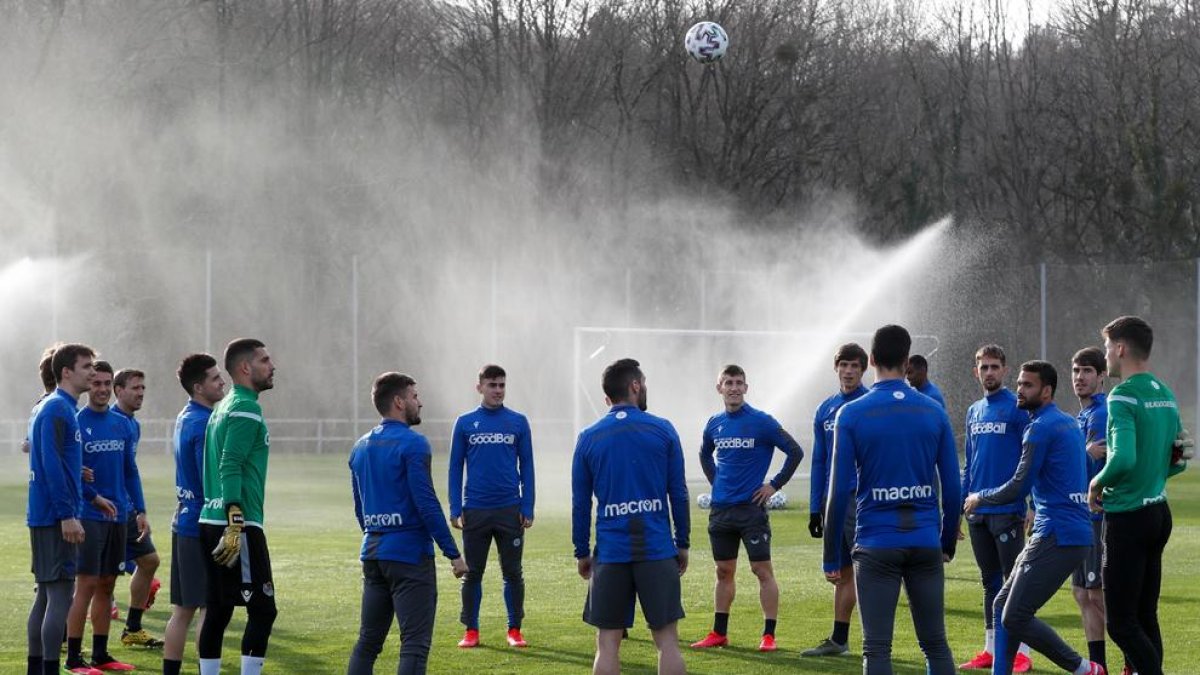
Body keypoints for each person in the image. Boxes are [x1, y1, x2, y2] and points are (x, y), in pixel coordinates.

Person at [822, 324, 960, 675]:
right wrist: (946, 542)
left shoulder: (850, 414)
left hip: (875, 542)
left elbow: (838, 491)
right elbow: (953, 486)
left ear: (870, 361)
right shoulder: (933, 410)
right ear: (906, 359)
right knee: (936, 644)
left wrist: (831, 557)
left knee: (877, 648)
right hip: (925, 538)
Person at [964, 361, 1105, 675]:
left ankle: (1086, 669)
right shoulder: (1067, 422)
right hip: (1067, 532)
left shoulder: (1039, 428)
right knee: (1002, 605)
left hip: (1057, 534)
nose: (1019, 389)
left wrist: (979, 497)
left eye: (1028, 385)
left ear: (1046, 391)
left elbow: (1018, 486)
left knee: (1015, 615)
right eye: (1019, 383)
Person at [572, 358, 689, 675]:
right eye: (644, 382)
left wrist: (581, 552)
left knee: (607, 644)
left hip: (611, 554)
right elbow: (678, 492)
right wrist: (683, 543)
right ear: (635, 385)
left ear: (607, 397)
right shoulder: (663, 429)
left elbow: (581, 503)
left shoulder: (588, 437)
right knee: (667, 642)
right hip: (656, 550)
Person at [347, 372, 468, 675]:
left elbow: (360, 508)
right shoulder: (414, 444)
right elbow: (426, 503)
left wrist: (376, 532)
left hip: (373, 554)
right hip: (409, 557)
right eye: (415, 396)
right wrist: (453, 554)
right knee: (414, 644)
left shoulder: (359, 447)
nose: (420, 402)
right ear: (399, 402)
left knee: (368, 642)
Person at [1088, 316, 1189, 675]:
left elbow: (1124, 458)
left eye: (1105, 349)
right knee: (1145, 616)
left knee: (1121, 623)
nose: (1105, 357)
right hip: (1158, 512)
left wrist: (1095, 483)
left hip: (1128, 516)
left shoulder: (1123, 394)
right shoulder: (1165, 393)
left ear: (1120, 348)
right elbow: (1178, 462)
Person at [691, 364, 803, 652]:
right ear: (719, 388)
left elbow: (795, 451)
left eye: (739, 382)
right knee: (723, 571)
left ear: (746, 387)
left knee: (761, 570)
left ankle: (768, 635)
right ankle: (719, 633)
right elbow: (704, 453)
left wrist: (774, 485)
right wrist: (716, 481)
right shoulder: (714, 423)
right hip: (721, 511)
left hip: (751, 511)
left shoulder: (762, 421)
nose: (734, 387)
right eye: (728, 382)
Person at [197, 338, 277, 675]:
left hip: (209, 516)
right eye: (265, 360)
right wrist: (235, 520)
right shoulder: (246, 406)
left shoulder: (221, 406)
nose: (272, 366)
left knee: (218, 609)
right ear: (245, 368)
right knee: (263, 609)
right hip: (237, 522)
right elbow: (229, 465)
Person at [448, 364, 535, 649]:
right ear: (480, 387)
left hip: (510, 509)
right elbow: (454, 468)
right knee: (473, 573)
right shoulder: (464, 423)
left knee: (513, 573)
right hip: (476, 510)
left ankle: (514, 629)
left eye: (502, 385)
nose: (498, 390)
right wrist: (455, 506)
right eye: (492, 385)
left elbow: (529, 466)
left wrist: (528, 504)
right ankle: (471, 630)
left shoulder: (518, 422)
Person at [960, 344, 1034, 672]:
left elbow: (1028, 460)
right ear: (976, 372)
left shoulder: (1018, 408)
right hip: (977, 511)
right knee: (989, 581)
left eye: (994, 367)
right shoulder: (975, 410)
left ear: (1004, 370)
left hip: (1007, 509)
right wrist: (960, 504)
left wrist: (1029, 503)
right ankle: (991, 648)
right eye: (983, 367)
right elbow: (969, 463)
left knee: (1013, 581)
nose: (988, 372)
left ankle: (1022, 652)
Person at [65, 361, 142, 673]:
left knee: (108, 585)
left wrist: (140, 510)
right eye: (95, 383)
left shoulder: (121, 423)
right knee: (85, 585)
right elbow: (71, 473)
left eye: (106, 384)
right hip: (88, 516)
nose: (101, 389)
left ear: (112, 387)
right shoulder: (76, 422)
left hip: (118, 516)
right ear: (88, 385)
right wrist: (93, 499)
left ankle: (101, 655)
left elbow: (130, 471)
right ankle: (73, 658)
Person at [27, 343, 96, 675]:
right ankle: (49, 669)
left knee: (46, 597)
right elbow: (49, 466)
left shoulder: (61, 408)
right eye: (86, 367)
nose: (92, 373)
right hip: (56, 516)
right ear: (66, 371)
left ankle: (36, 669)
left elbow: (53, 457)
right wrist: (67, 514)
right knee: (59, 597)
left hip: (49, 514)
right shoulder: (57, 408)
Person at [803, 343, 869, 657]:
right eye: (844, 365)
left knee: (867, 570)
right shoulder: (825, 409)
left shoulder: (870, 404)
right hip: (833, 502)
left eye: (855, 366)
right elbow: (819, 461)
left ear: (863, 369)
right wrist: (816, 508)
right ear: (836, 368)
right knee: (841, 573)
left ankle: (875, 641)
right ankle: (839, 640)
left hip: (862, 499)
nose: (849, 371)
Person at [162, 354, 226, 675]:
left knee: (182, 610)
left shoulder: (184, 416)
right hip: (203, 525)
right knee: (209, 609)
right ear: (198, 387)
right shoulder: (204, 423)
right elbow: (209, 479)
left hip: (183, 519)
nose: (222, 382)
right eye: (215, 378)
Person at [110, 368, 162, 648]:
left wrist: (140, 509)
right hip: (106, 510)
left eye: (143, 388)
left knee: (150, 561)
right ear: (119, 391)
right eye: (135, 388)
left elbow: (130, 471)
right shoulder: (108, 420)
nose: (141, 393)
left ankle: (132, 628)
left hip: (127, 510)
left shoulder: (133, 425)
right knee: (95, 576)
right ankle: (66, 638)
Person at [1070, 347, 1111, 673]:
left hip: (1097, 517)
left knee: (1097, 595)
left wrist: (1079, 453)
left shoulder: (1100, 415)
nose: (1079, 377)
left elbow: (1100, 465)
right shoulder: (1081, 417)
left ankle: (1130, 662)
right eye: (1075, 371)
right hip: (1079, 517)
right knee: (1082, 594)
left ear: (1100, 376)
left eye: (1086, 371)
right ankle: (1098, 666)